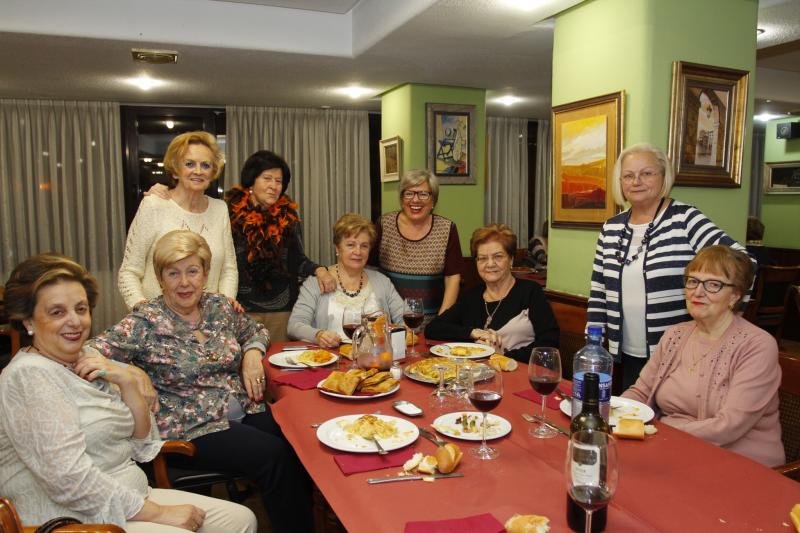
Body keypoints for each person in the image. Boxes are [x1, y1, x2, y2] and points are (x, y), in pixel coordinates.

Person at [0, 253, 256, 532]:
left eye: (81, 309)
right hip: (71, 518)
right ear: (28, 321)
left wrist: (127, 380)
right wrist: (158, 513)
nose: (75, 321)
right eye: (57, 312)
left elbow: (140, 440)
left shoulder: (85, 358)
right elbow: (69, 480)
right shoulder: (29, 376)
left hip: (126, 498)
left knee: (241, 520)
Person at [89, 231, 312, 533]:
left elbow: (256, 331)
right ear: (160, 278)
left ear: (206, 274)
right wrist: (131, 373)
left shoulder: (219, 306)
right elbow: (88, 352)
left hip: (244, 408)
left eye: (193, 271)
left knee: (301, 436)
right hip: (192, 426)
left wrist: (251, 353)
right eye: (173, 273)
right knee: (274, 456)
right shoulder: (145, 321)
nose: (184, 282)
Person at [587, 143, 752, 389]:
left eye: (647, 173)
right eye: (629, 176)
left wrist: (731, 311)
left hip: (679, 352)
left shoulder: (684, 218)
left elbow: (743, 260)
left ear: (664, 177)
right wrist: (593, 346)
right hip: (626, 354)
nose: (637, 181)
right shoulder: (611, 228)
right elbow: (599, 292)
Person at [149, 150, 336, 341]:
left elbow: (298, 261)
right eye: (267, 178)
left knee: (278, 364)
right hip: (239, 310)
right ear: (251, 182)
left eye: (278, 181)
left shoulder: (289, 218)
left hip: (282, 311)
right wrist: (163, 192)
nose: (273, 186)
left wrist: (319, 270)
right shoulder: (226, 212)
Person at [622, 246, 784, 467]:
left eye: (713, 284)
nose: (698, 292)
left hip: (739, 462)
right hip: (670, 447)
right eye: (693, 281)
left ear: (735, 295)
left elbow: (729, 426)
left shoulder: (757, 345)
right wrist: (611, 414)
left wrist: (656, 431)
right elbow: (641, 391)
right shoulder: (675, 334)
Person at [118, 131, 238, 309]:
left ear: (213, 172)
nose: (198, 171)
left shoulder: (220, 209)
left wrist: (224, 307)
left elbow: (228, 269)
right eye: (190, 164)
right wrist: (144, 312)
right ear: (176, 169)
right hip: (158, 323)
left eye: (206, 165)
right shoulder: (154, 206)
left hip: (207, 323)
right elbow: (129, 272)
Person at [426, 224, 560, 362]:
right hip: (475, 375)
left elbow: (549, 344)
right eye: (482, 258)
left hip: (518, 373)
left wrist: (503, 357)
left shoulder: (530, 292)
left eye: (498, 257)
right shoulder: (471, 297)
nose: (490, 264)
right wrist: (472, 333)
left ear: (511, 260)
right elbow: (433, 329)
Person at [288, 213, 404, 347]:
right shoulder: (315, 283)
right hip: (329, 360)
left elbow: (405, 319)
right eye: (351, 245)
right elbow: (294, 326)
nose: (358, 251)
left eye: (364, 246)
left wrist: (401, 332)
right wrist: (318, 335)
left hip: (375, 360)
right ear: (338, 248)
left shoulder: (382, 282)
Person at [371, 169, 463, 320]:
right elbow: (371, 271)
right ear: (401, 199)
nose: (415, 200)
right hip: (389, 322)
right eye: (409, 193)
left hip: (431, 321)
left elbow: (452, 278)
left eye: (423, 194)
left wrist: (441, 321)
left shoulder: (447, 229)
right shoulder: (384, 224)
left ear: (433, 200)